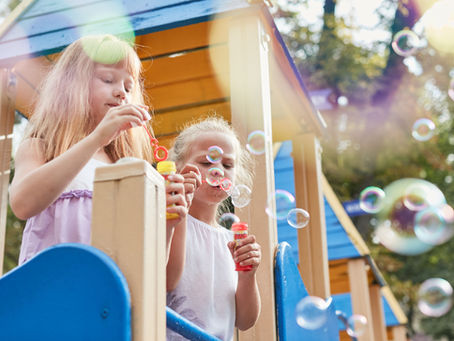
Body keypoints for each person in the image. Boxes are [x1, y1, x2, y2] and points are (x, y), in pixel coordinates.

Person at [9, 34, 188, 265]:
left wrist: (167, 223)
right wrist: (96, 139)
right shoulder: (42, 146)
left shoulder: (123, 166)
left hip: (107, 296)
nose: (122, 92)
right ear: (71, 84)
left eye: (128, 86)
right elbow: (23, 204)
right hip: (54, 288)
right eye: (108, 79)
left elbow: (148, 265)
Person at [166, 117, 261, 341]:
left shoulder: (232, 240)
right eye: (206, 163)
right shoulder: (168, 225)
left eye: (227, 165)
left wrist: (248, 275)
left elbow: (245, 320)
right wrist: (179, 208)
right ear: (178, 167)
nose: (218, 170)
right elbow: (166, 281)